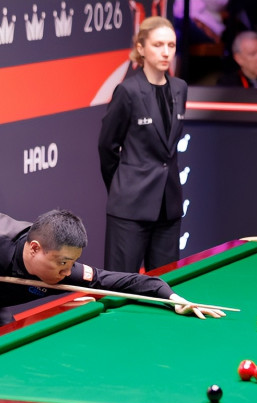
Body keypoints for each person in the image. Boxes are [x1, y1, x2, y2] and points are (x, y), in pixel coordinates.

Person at [0, 177, 223, 359]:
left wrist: (170, 297)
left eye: (72, 263)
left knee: (14, 353)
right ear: (35, 249)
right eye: (62, 263)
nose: (68, 271)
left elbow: (120, 281)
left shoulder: (63, 270)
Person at [98, 16, 188, 273]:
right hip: (130, 207)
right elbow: (107, 146)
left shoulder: (180, 88)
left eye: (171, 45)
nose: (166, 52)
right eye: (158, 45)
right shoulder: (127, 91)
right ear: (141, 48)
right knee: (121, 283)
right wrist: (122, 185)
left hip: (169, 207)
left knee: (166, 283)